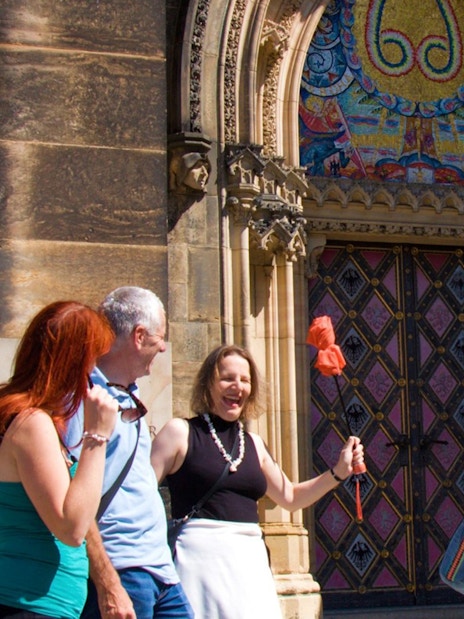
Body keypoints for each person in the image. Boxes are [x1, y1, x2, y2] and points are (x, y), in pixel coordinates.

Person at [151, 343, 365, 619]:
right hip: (199, 563)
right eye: (227, 378)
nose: (237, 386)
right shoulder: (179, 433)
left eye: (245, 380)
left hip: (249, 566)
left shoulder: (253, 444)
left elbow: (290, 498)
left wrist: (338, 472)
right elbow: (140, 495)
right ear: (208, 383)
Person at [65, 286, 194, 619]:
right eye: (160, 337)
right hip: (122, 568)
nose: (163, 347)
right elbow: (74, 494)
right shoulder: (85, 399)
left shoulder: (129, 397)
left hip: (161, 571)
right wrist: (107, 581)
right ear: (139, 336)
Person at [0, 301, 118, 619]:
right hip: (27, 604)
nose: (96, 375)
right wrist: (97, 437)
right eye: (94, 361)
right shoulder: (30, 422)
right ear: (73, 362)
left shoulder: (27, 416)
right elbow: (71, 527)